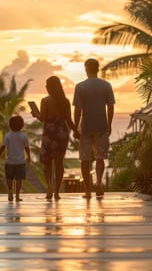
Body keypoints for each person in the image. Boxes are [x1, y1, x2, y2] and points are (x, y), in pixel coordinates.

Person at [72, 58, 115, 199]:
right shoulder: (106, 86)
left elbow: (78, 109)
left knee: (85, 159)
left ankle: (87, 190)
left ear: (86, 69)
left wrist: (75, 127)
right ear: (98, 69)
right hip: (101, 126)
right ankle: (99, 185)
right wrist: (109, 124)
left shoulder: (80, 87)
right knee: (100, 157)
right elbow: (110, 106)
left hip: (85, 126)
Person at [32, 76, 77, 200]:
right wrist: (76, 131)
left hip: (49, 132)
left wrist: (35, 114)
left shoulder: (45, 101)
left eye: (47, 85)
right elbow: (69, 121)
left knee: (47, 162)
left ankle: (49, 187)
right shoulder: (65, 101)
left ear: (50, 87)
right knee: (59, 163)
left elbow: (42, 118)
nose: (46, 87)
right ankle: (57, 192)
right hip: (62, 132)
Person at [0, 115, 31, 202]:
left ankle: (10, 192)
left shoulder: (7, 136)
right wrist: (29, 157)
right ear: (22, 125)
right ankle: (17, 195)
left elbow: (3, 147)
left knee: (9, 178)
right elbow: (27, 148)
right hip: (20, 162)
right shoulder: (24, 136)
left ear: (10, 125)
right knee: (19, 179)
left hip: (9, 162)